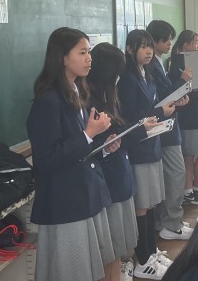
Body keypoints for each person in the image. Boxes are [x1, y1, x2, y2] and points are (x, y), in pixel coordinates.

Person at [26, 27, 115, 281]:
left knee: (92, 269)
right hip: (65, 202)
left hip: (86, 193)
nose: (89, 59)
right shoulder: (48, 101)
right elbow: (46, 160)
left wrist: (103, 144)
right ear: (63, 58)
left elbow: (79, 147)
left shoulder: (77, 91)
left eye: (89, 52)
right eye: (82, 52)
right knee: (72, 273)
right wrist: (88, 134)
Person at [117, 29, 176, 280]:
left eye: (150, 46)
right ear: (129, 49)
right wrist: (161, 112)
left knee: (151, 202)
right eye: (142, 47)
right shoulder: (127, 78)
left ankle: (151, 253)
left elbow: (150, 108)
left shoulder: (147, 74)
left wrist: (165, 110)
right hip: (139, 148)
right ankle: (142, 259)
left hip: (152, 143)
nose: (149, 51)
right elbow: (129, 117)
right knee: (142, 204)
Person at [86, 43, 139, 281]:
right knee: (110, 249)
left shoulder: (109, 94)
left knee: (117, 246)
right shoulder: (90, 100)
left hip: (118, 172)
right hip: (107, 179)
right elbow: (93, 143)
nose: (119, 78)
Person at [146, 20, 193, 241]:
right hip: (163, 129)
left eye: (170, 40)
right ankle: (171, 224)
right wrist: (181, 82)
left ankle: (168, 220)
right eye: (165, 40)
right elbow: (161, 98)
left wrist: (179, 98)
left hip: (168, 125)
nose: (169, 44)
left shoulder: (157, 62)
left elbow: (166, 96)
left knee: (172, 175)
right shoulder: (152, 65)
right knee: (176, 174)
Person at [168, 30, 198, 206]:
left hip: (185, 113)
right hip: (196, 113)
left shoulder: (175, 60)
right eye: (195, 42)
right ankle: (197, 189)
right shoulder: (192, 60)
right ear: (185, 45)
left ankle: (188, 190)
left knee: (188, 155)